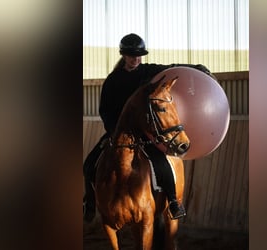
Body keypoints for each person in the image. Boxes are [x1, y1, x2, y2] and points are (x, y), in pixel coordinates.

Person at [83, 33, 212, 222]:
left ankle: (173, 202)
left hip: (145, 133)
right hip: (118, 132)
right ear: (124, 55)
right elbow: (105, 110)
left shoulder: (147, 71)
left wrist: (195, 68)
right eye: (132, 55)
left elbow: (171, 68)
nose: (136, 59)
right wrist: (113, 131)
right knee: (89, 164)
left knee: (162, 164)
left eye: (139, 55)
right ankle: (90, 204)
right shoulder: (113, 80)